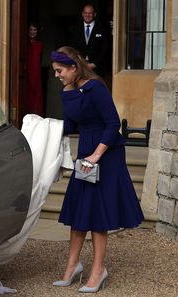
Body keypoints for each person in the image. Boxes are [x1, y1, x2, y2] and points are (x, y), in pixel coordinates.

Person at [50, 46, 144, 293]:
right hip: (85, 152)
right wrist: (43, 130)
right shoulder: (67, 90)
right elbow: (70, 125)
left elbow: (113, 124)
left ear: (73, 67)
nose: (57, 75)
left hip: (105, 152)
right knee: (81, 210)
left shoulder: (96, 88)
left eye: (60, 71)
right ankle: (72, 266)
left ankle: (98, 270)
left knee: (96, 215)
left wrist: (96, 155)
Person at [67, 4, 109, 76]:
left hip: (97, 68)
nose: (87, 15)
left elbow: (105, 49)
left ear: (94, 14)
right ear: (82, 14)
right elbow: (72, 48)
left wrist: (95, 64)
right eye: (86, 13)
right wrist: (78, 63)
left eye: (90, 13)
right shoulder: (74, 29)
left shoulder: (103, 29)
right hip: (79, 67)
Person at [26, 22, 44, 117]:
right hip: (26, 72)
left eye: (34, 30)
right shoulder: (23, 43)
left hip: (36, 72)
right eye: (30, 29)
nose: (32, 32)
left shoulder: (40, 44)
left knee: (36, 94)